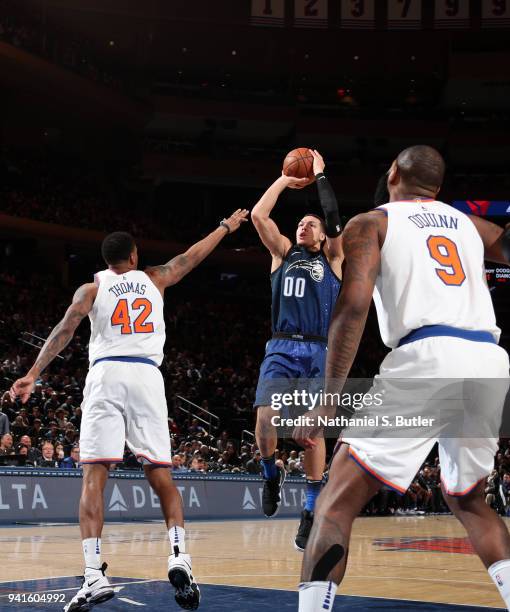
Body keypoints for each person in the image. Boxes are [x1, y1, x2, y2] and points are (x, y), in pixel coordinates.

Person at [296, 145, 510, 611]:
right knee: (470, 501)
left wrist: (330, 398)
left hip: (427, 356)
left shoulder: (372, 223)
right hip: (488, 359)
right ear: (438, 186)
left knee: (334, 503)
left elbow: (352, 308)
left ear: (392, 172)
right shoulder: (470, 225)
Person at [10, 208, 248, 612]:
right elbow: (191, 257)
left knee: (93, 476)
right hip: (146, 377)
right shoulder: (154, 278)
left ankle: (92, 575)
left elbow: (65, 330)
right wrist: (226, 227)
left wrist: (33, 373)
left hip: (105, 376)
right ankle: (178, 555)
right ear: (134, 257)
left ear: (107, 262)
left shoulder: (90, 289)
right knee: (161, 475)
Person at [251, 149, 343, 550]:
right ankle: (270, 473)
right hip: (282, 346)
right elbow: (258, 216)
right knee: (266, 420)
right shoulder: (283, 254)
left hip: (318, 349)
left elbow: (333, 217)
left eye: (311, 224)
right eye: (300, 222)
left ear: (323, 235)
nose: (304, 226)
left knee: (310, 433)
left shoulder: (335, 260)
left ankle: (309, 509)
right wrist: (286, 180)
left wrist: (320, 176)